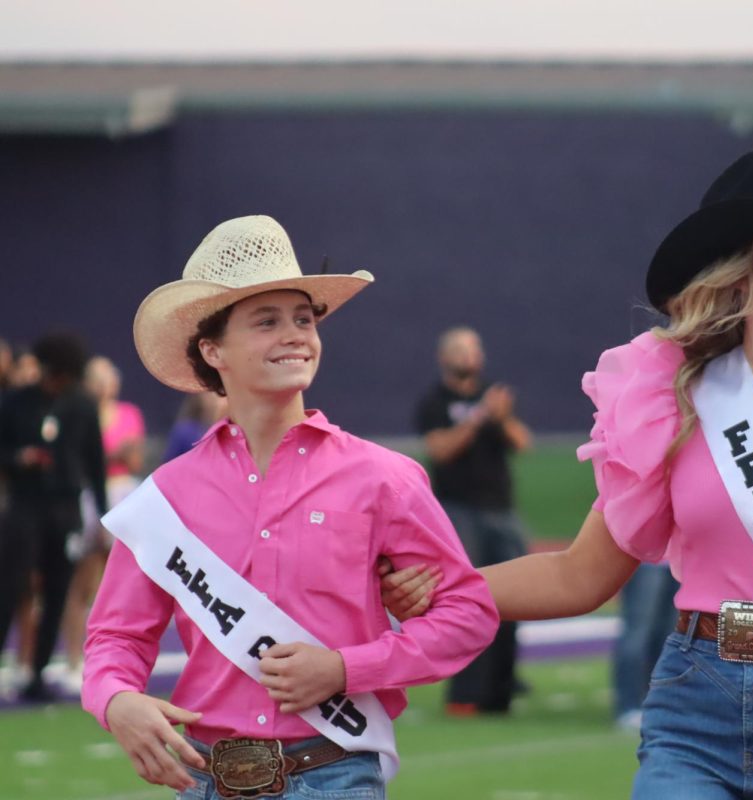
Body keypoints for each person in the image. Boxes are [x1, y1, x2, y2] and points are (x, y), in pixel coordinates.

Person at [386, 145, 753, 799]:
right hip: (695, 703)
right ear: (743, 267)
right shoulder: (674, 396)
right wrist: (444, 585)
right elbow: (578, 576)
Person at [81, 215, 498, 798]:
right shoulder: (168, 495)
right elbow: (115, 637)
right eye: (267, 321)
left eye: (304, 319)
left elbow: (468, 613)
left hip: (335, 774)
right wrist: (117, 700)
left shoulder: (385, 478)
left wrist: (345, 670)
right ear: (212, 350)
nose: (296, 335)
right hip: (202, 780)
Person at [414, 326, 532, 715]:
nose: (470, 357)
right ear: (444, 357)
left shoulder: (494, 395)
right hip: (458, 512)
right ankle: (464, 694)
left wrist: (501, 418)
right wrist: (480, 417)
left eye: (474, 350)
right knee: (468, 600)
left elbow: (521, 443)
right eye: (462, 351)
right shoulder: (435, 401)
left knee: (514, 598)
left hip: (501, 509)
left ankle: (502, 690)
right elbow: (442, 450)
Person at [0, 333, 107, 702]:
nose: (59, 382)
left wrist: (105, 516)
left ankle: (38, 674)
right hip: (25, 505)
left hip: (65, 507)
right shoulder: (15, 402)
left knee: (58, 590)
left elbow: (96, 463)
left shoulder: (82, 405)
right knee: (10, 587)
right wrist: (19, 458)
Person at [55, 356, 148, 694]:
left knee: (124, 585)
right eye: (97, 379)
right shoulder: (78, 412)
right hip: (88, 496)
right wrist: (110, 456)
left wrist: (110, 457)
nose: (104, 385)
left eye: (108, 378)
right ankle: (73, 661)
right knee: (82, 582)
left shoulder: (129, 414)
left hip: (122, 493)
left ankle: (121, 668)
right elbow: (76, 459)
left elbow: (134, 458)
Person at [612, 562, 679, 732]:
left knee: (669, 634)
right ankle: (629, 706)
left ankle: (658, 702)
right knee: (638, 631)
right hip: (647, 558)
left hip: (680, 558)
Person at [161, 391, 228, 464]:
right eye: (208, 392)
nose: (213, 398)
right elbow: (169, 464)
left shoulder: (229, 431)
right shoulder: (185, 431)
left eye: (219, 393)